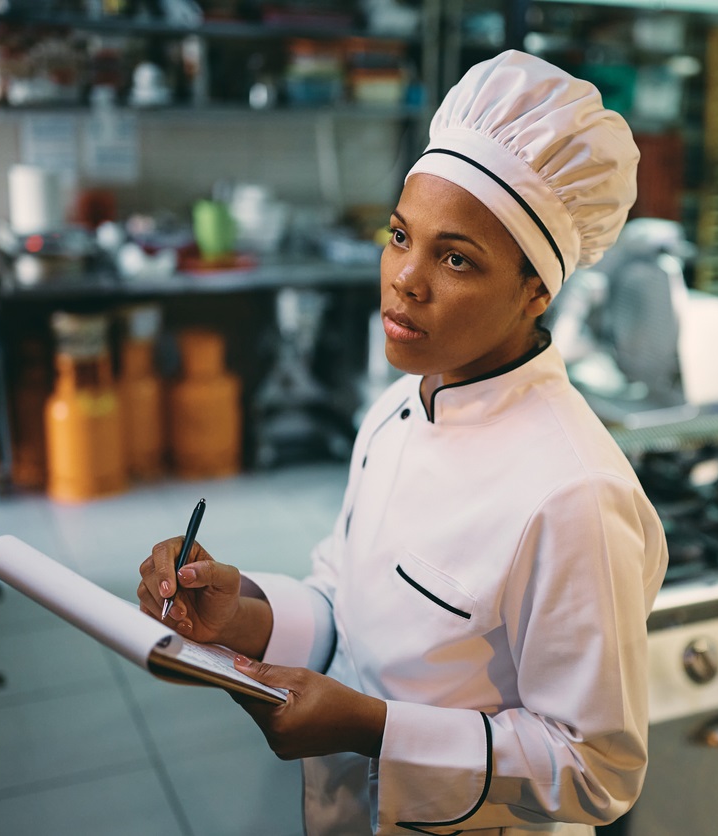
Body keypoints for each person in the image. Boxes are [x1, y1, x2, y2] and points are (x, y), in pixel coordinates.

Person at [137, 50, 669, 836]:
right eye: (398, 236)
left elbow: (599, 769)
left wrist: (376, 727)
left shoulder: (574, 494)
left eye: (455, 258)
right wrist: (239, 615)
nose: (404, 280)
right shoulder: (395, 408)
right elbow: (344, 601)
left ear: (536, 291)